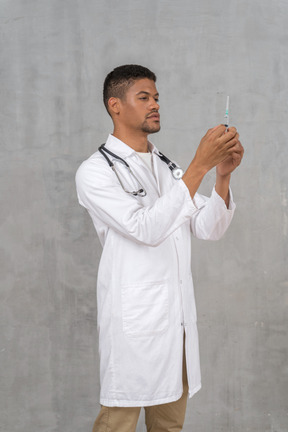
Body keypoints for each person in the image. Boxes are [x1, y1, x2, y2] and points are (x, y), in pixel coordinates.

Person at [75, 64, 244, 432]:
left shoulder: (167, 166)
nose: (155, 105)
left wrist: (222, 175)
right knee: (116, 424)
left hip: (176, 325)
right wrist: (199, 166)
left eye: (156, 98)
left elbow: (207, 226)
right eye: (144, 97)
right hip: (135, 323)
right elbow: (145, 228)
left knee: (169, 427)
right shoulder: (96, 171)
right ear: (115, 106)